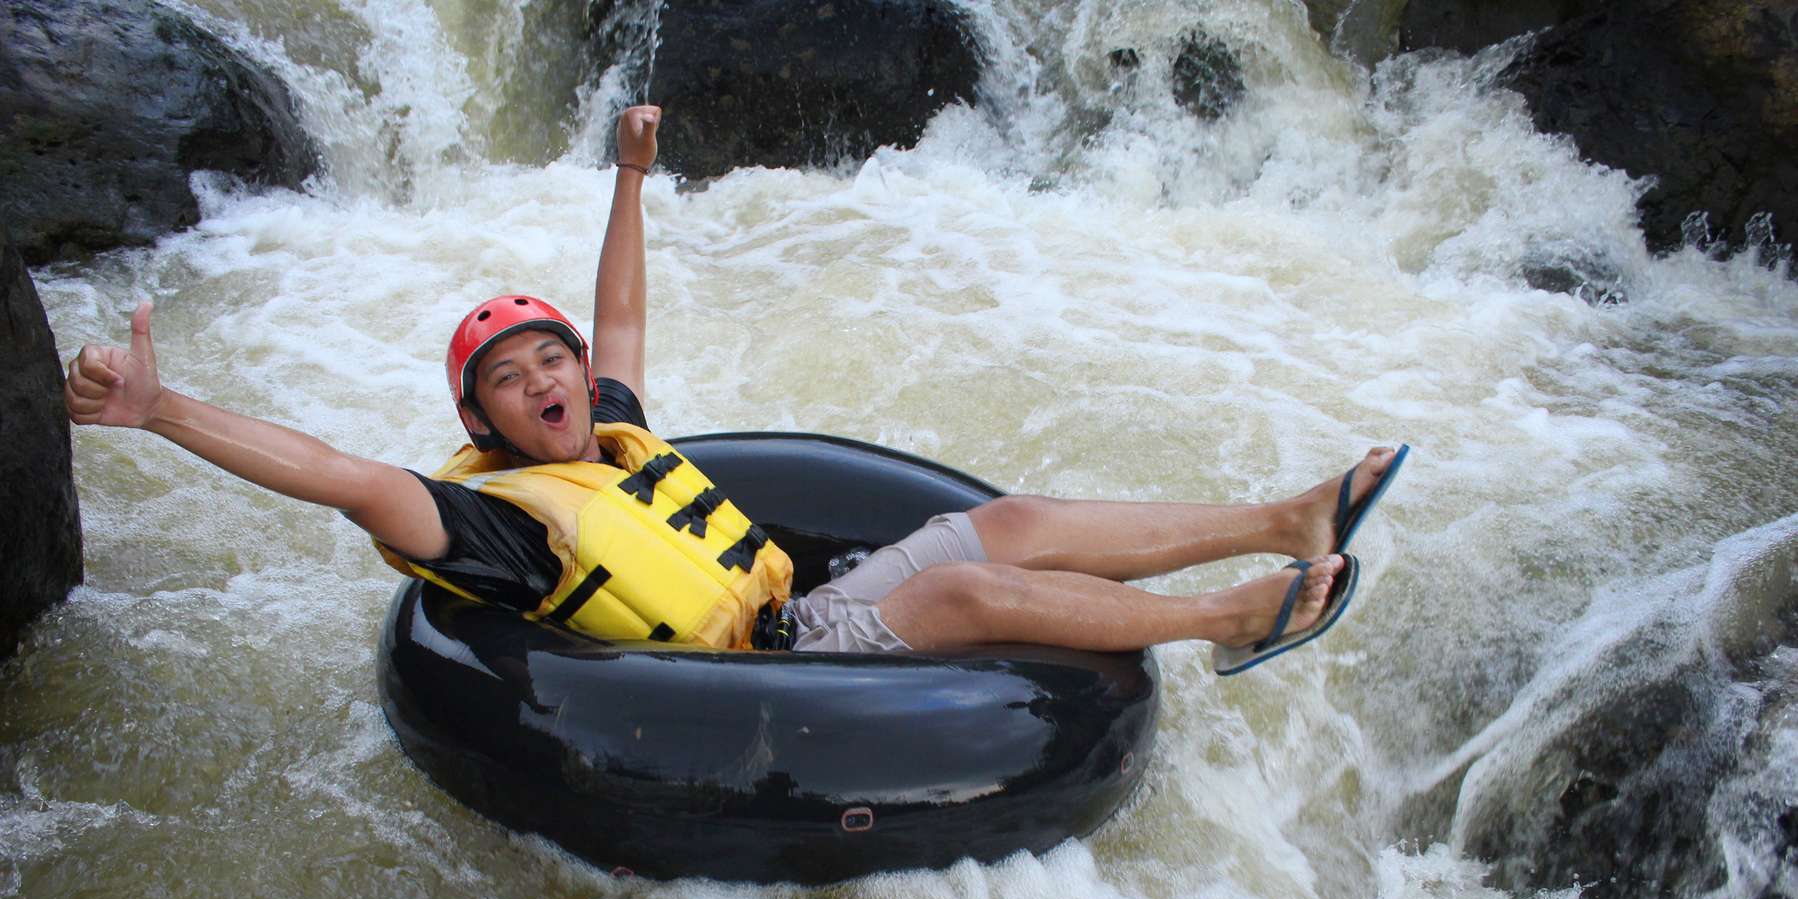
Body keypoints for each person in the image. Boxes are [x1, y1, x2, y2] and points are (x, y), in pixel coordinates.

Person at [63, 106, 1405, 672]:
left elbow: (623, 312)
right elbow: (340, 474)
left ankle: (1279, 521)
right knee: (954, 590)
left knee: (1021, 520)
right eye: (510, 380)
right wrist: (162, 411)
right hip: (766, 672)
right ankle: (1227, 621)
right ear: (478, 422)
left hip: (799, 605)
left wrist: (634, 172)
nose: (549, 381)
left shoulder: (612, 426)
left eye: (555, 363)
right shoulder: (494, 524)